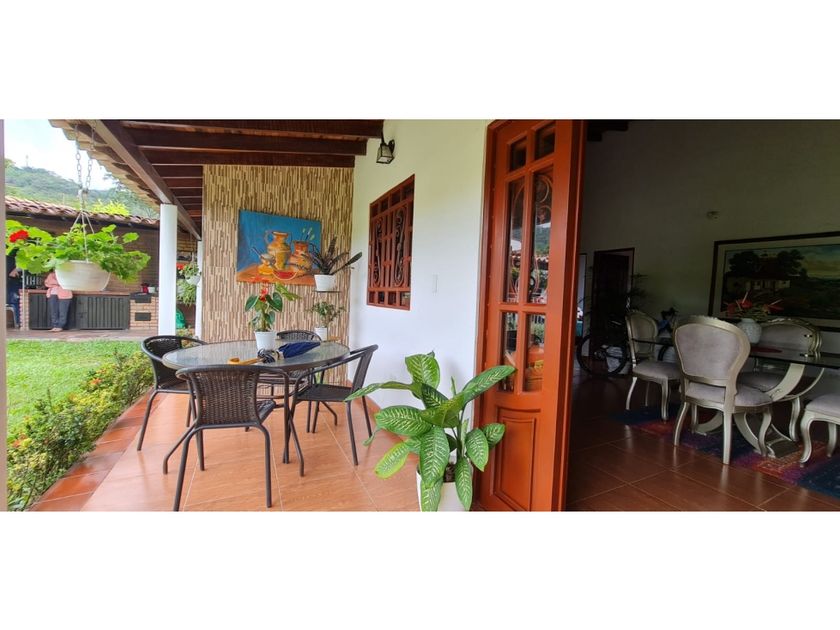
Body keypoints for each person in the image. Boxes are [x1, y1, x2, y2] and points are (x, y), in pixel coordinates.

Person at [6, 252, 22, 328]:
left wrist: (17, 269)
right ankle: (18, 322)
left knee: (15, 301)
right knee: (15, 301)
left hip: (11, 284)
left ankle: (18, 322)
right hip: (11, 284)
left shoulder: (10, 258)